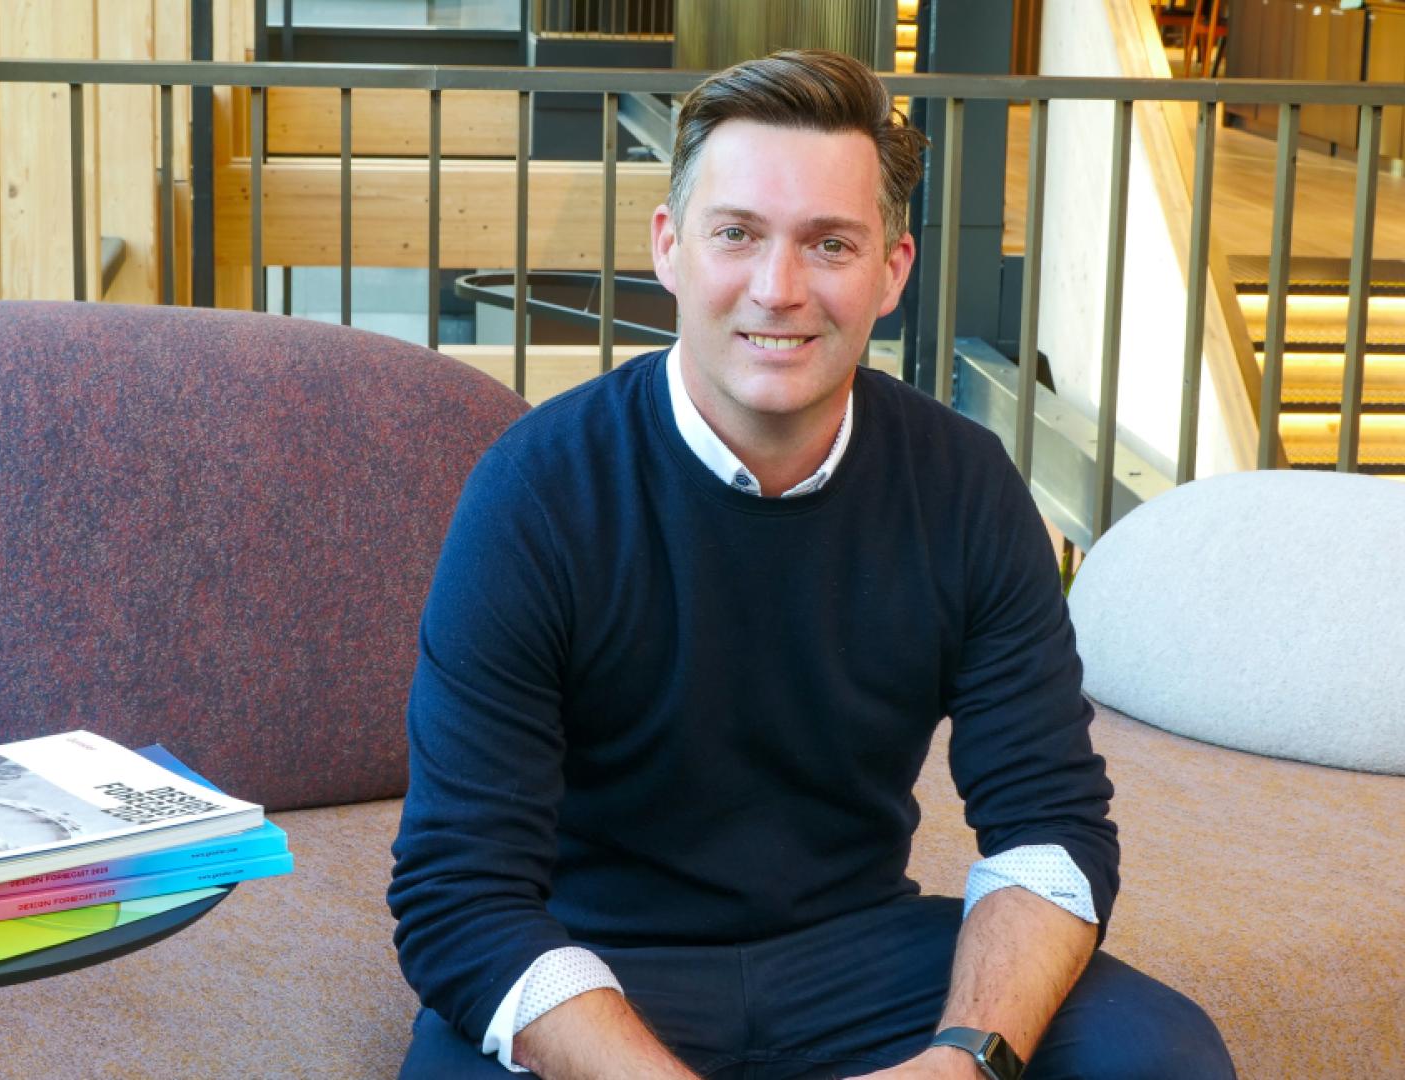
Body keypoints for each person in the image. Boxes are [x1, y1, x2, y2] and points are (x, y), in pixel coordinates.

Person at [387, 49, 1236, 1080]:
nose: (778, 289)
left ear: (892, 271)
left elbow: (1050, 827)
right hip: (599, 962)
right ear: (670, 248)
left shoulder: (965, 485)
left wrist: (963, 1059)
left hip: (863, 949)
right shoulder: (535, 493)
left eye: (829, 244)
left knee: (1161, 1062)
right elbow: (459, 893)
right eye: (736, 234)